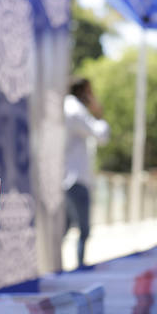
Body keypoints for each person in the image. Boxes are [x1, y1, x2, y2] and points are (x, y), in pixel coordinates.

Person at [63, 77, 110, 267]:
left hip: (65, 178)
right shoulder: (76, 111)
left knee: (64, 228)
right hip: (76, 179)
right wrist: (99, 114)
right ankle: (80, 268)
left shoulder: (65, 108)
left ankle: (57, 268)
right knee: (84, 230)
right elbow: (102, 136)